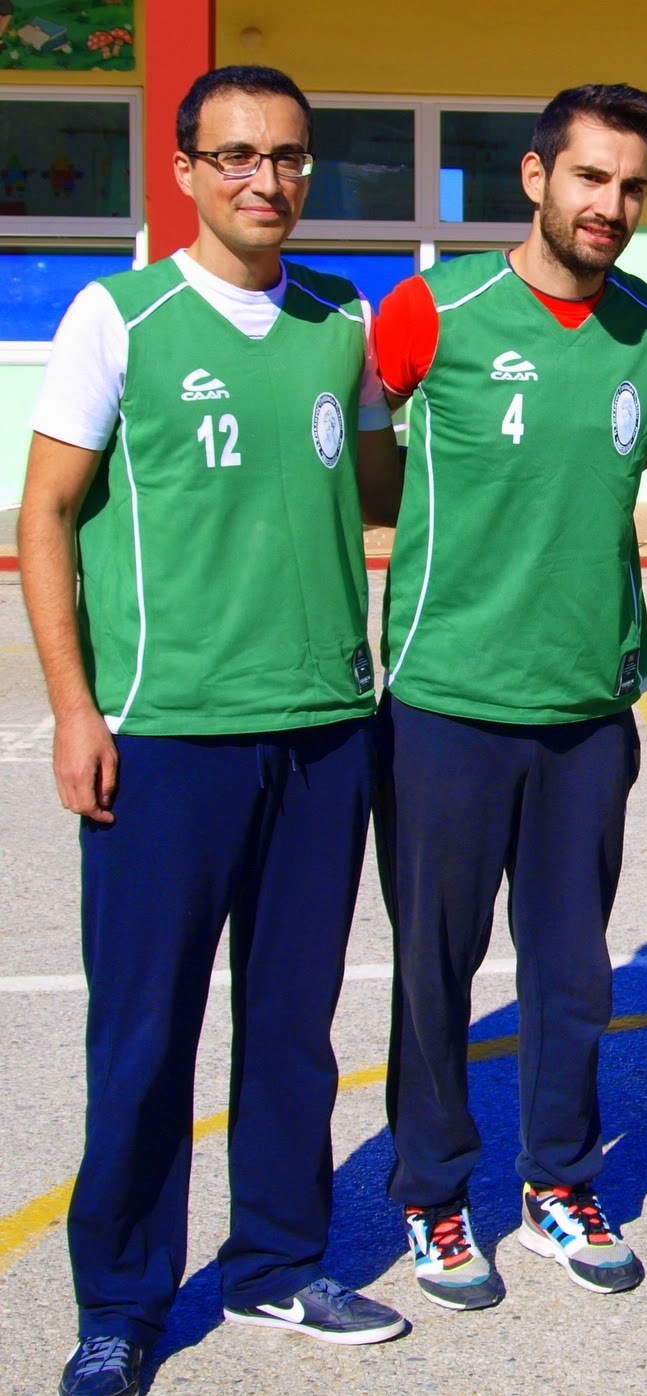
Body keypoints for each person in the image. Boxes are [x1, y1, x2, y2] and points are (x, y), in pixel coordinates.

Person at [18, 64, 407, 1396]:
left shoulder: (340, 319)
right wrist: (76, 708)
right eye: (236, 155)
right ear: (184, 170)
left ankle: (278, 1263)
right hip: (167, 735)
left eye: (288, 156)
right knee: (144, 1038)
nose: (265, 179)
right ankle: (121, 1305)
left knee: (294, 1026)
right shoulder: (118, 316)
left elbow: (381, 487)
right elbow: (45, 516)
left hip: (323, 730)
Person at [369, 84, 647, 1309]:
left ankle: (559, 1180)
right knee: (434, 971)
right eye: (591, 176)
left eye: (632, 184)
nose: (611, 204)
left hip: (586, 711)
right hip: (446, 703)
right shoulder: (429, 310)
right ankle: (434, 1194)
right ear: (537, 178)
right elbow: (350, 461)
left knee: (571, 973)